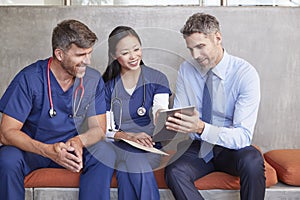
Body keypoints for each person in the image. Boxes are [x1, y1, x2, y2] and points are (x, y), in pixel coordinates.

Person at [0, 19, 114, 200]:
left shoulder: (92, 80)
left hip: (74, 151)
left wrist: (78, 141)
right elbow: (6, 133)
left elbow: (98, 129)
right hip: (34, 150)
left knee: (104, 152)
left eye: (89, 53)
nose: (87, 61)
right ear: (59, 54)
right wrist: (47, 150)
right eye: (80, 55)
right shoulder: (29, 79)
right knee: (6, 158)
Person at [164, 13, 266, 200]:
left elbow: (243, 136)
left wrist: (202, 127)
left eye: (200, 46)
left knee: (253, 160)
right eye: (191, 49)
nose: (195, 55)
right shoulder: (187, 69)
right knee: (174, 171)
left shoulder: (245, 74)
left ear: (217, 38)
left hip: (232, 150)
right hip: (199, 147)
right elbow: (180, 112)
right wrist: (166, 120)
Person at [102, 26, 172, 200]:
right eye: (125, 53)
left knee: (128, 172)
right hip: (117, 146)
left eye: (136, 49)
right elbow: (104, 129)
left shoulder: (157, 78)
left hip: (149, 147)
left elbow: (160, 110)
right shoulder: (106, 86)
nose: (133, 56)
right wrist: (128, 136)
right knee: (132, 159)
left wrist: (161, 116)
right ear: (113, 56)